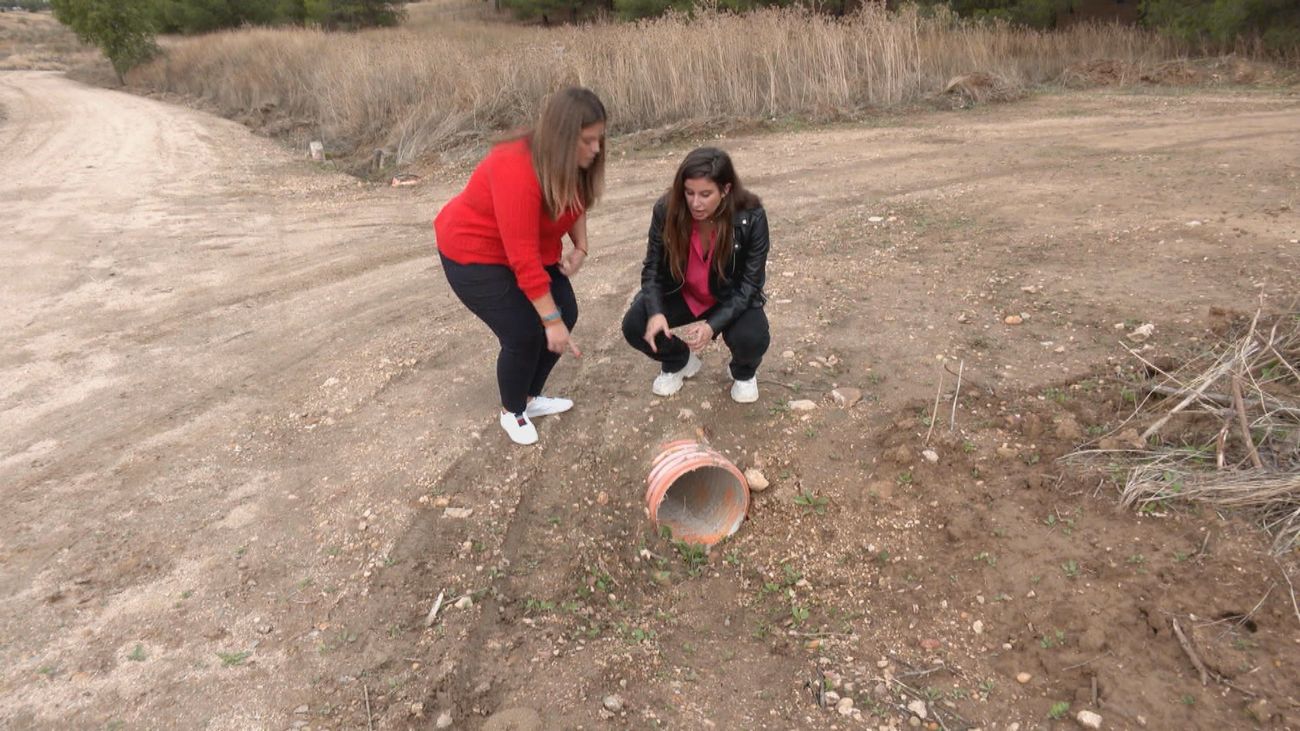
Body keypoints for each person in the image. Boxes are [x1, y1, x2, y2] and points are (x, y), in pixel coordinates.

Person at [434, 87, 606, 445]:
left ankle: (529, 397)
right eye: (587, 141)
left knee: (566, 311)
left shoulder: (573, 162)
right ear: (561, 139)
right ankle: (512, 410)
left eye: (599, 139)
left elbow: (576, 201)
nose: (596, 149)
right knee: (525, 333)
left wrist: (581, 246)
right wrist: (550, 321)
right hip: (473, 251)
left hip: (526, 248)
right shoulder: (515, 166)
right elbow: (522, 260)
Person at [621, 147, 771, 403]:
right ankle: (679, 361)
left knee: (752, 337)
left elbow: (750, 284)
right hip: (683, 294)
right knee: (635, 325)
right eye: (689, 192)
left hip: (730, 296)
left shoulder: (751, 215)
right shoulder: (666, 210)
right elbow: (652, 269)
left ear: (725, 190)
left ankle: (744, 372)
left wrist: (712, 325)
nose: (695, 203)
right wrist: (656, 312)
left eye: (705, 194)